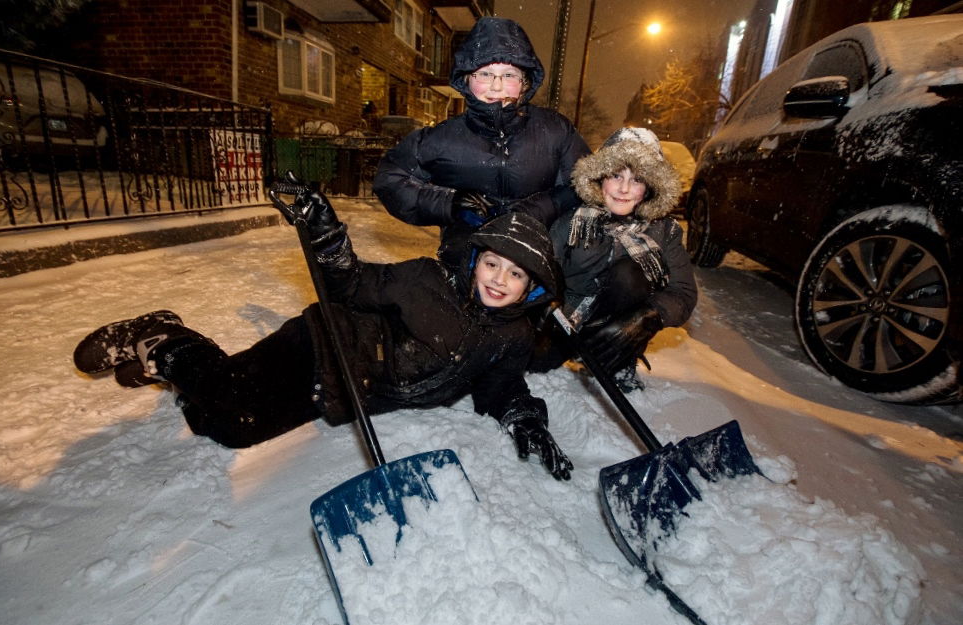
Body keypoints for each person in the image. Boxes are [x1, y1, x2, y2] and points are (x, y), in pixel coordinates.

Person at [72, 193, 573, 480]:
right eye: (492, 264)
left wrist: (524, 418)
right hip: (323, 344)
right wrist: (329, 241)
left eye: (515, 274)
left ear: (532, 288)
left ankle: (180, 376)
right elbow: (353, 283)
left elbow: (502, 386)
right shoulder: (426, 280)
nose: (498, 280)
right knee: (229, 395)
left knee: (230, 427)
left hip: (346, 390)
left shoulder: (512, 337)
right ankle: (162, 337)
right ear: (476, 259)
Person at [372, 16, 590, 269]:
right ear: (467, 79)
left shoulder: (554, 129)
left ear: (524, 82)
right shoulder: (442, 138)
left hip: (534, 261)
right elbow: (390, 178)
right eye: (485, 74)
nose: (496, 86)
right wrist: (448, 202)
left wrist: (541, 208)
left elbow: (584, 181)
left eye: (509, 75)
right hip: (465, 264)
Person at [530, 127, 698, 391]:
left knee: (630, 273)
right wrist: (544, 304)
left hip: (618, 333)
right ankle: (571, 349)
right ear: (600, 177)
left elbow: (684, 293)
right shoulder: (572, 220)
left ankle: (619, 362)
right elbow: (539, 270)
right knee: (534, 363)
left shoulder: (664, 230)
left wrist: (649, 316)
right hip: (568, 321)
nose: (623, 188)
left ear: (650, 187)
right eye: (616, 175)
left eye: (637, 179)